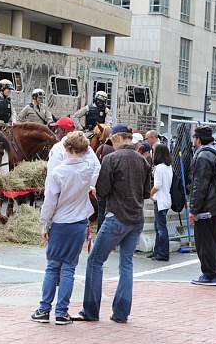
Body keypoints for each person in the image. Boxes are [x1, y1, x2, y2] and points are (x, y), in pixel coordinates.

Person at [76, 124, 151, 324]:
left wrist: (95, 190)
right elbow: (146, 192)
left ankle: (91, 310)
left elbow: (102, 191)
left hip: (116, 216)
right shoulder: (143, 162)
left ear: (117, 138)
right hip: (136, 218)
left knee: (95, 261)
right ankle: (121, 313)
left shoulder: (111, 159)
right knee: (126, 265)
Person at [31, 132, 96, 325]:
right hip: (79, 223)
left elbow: (49, 203)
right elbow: (93, 161)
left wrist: (44, 223)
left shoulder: (57, 172)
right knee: (69, 268)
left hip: (59, 223)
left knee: (52, 267)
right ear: (84, 150)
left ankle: (44, 310)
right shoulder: (88, 169)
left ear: (66, 149)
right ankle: (62, 312)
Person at [189, 125, 216, 286]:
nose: (193, 141)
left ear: (198, 139)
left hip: (207, 207)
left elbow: (199, 185)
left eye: (194, 138)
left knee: (204, 241)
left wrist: (194, 209)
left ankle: (209, 274)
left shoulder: (203, 156)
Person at [46, 117, 100, 186]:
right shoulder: (86, 147)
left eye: (57, 129)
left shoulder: (58, 148)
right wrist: (90, 186)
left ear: (63, 130)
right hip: (83, 193)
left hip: (63, 193)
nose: (55, 132)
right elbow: (97, 167)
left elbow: (52, 174)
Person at [148, 144, 173, 261]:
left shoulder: (159, 168)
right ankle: (157, 251)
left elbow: (157, 185)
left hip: (160, 200)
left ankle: (163, 253)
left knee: (161, 228)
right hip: (166, 199)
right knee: (159, 227)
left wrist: (150, 193)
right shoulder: (169, 167)